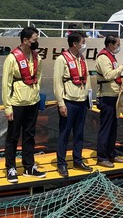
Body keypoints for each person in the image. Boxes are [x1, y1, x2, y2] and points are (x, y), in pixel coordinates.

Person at [1, 26, 46, 183]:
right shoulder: (12, 59)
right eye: (34, 39)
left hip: (32, 101)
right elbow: (6, 84)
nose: (36, 42)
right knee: (13, 137)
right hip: (17, 103)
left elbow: (38, 76)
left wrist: (36, 92)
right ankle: (11, 167)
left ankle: (29, 166)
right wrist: (7, 107)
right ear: (25, 40)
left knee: (30, 135)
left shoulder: (36, 57)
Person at [53, 31, 92, 178]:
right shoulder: (62, 59)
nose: (84, 45)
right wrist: (61, 103)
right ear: (75, 44)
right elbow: (57, 83)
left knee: (79, 133)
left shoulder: (81, 58)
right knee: (64, 133)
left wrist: (89, 98)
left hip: (82, 101)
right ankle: (62, 164)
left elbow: (87, 78)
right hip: (69, 101)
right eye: (82, 42)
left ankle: (77, 159)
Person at [95, 36, 123, 167]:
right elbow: (109, 75)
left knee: (113, 128)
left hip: (114, 95)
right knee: (106, 127)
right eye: (117, 44)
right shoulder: (103, 58)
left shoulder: (110, 56)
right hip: (107, 96)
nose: (118, 47)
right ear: (110, 44)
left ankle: (110, 152)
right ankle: (101, 156)